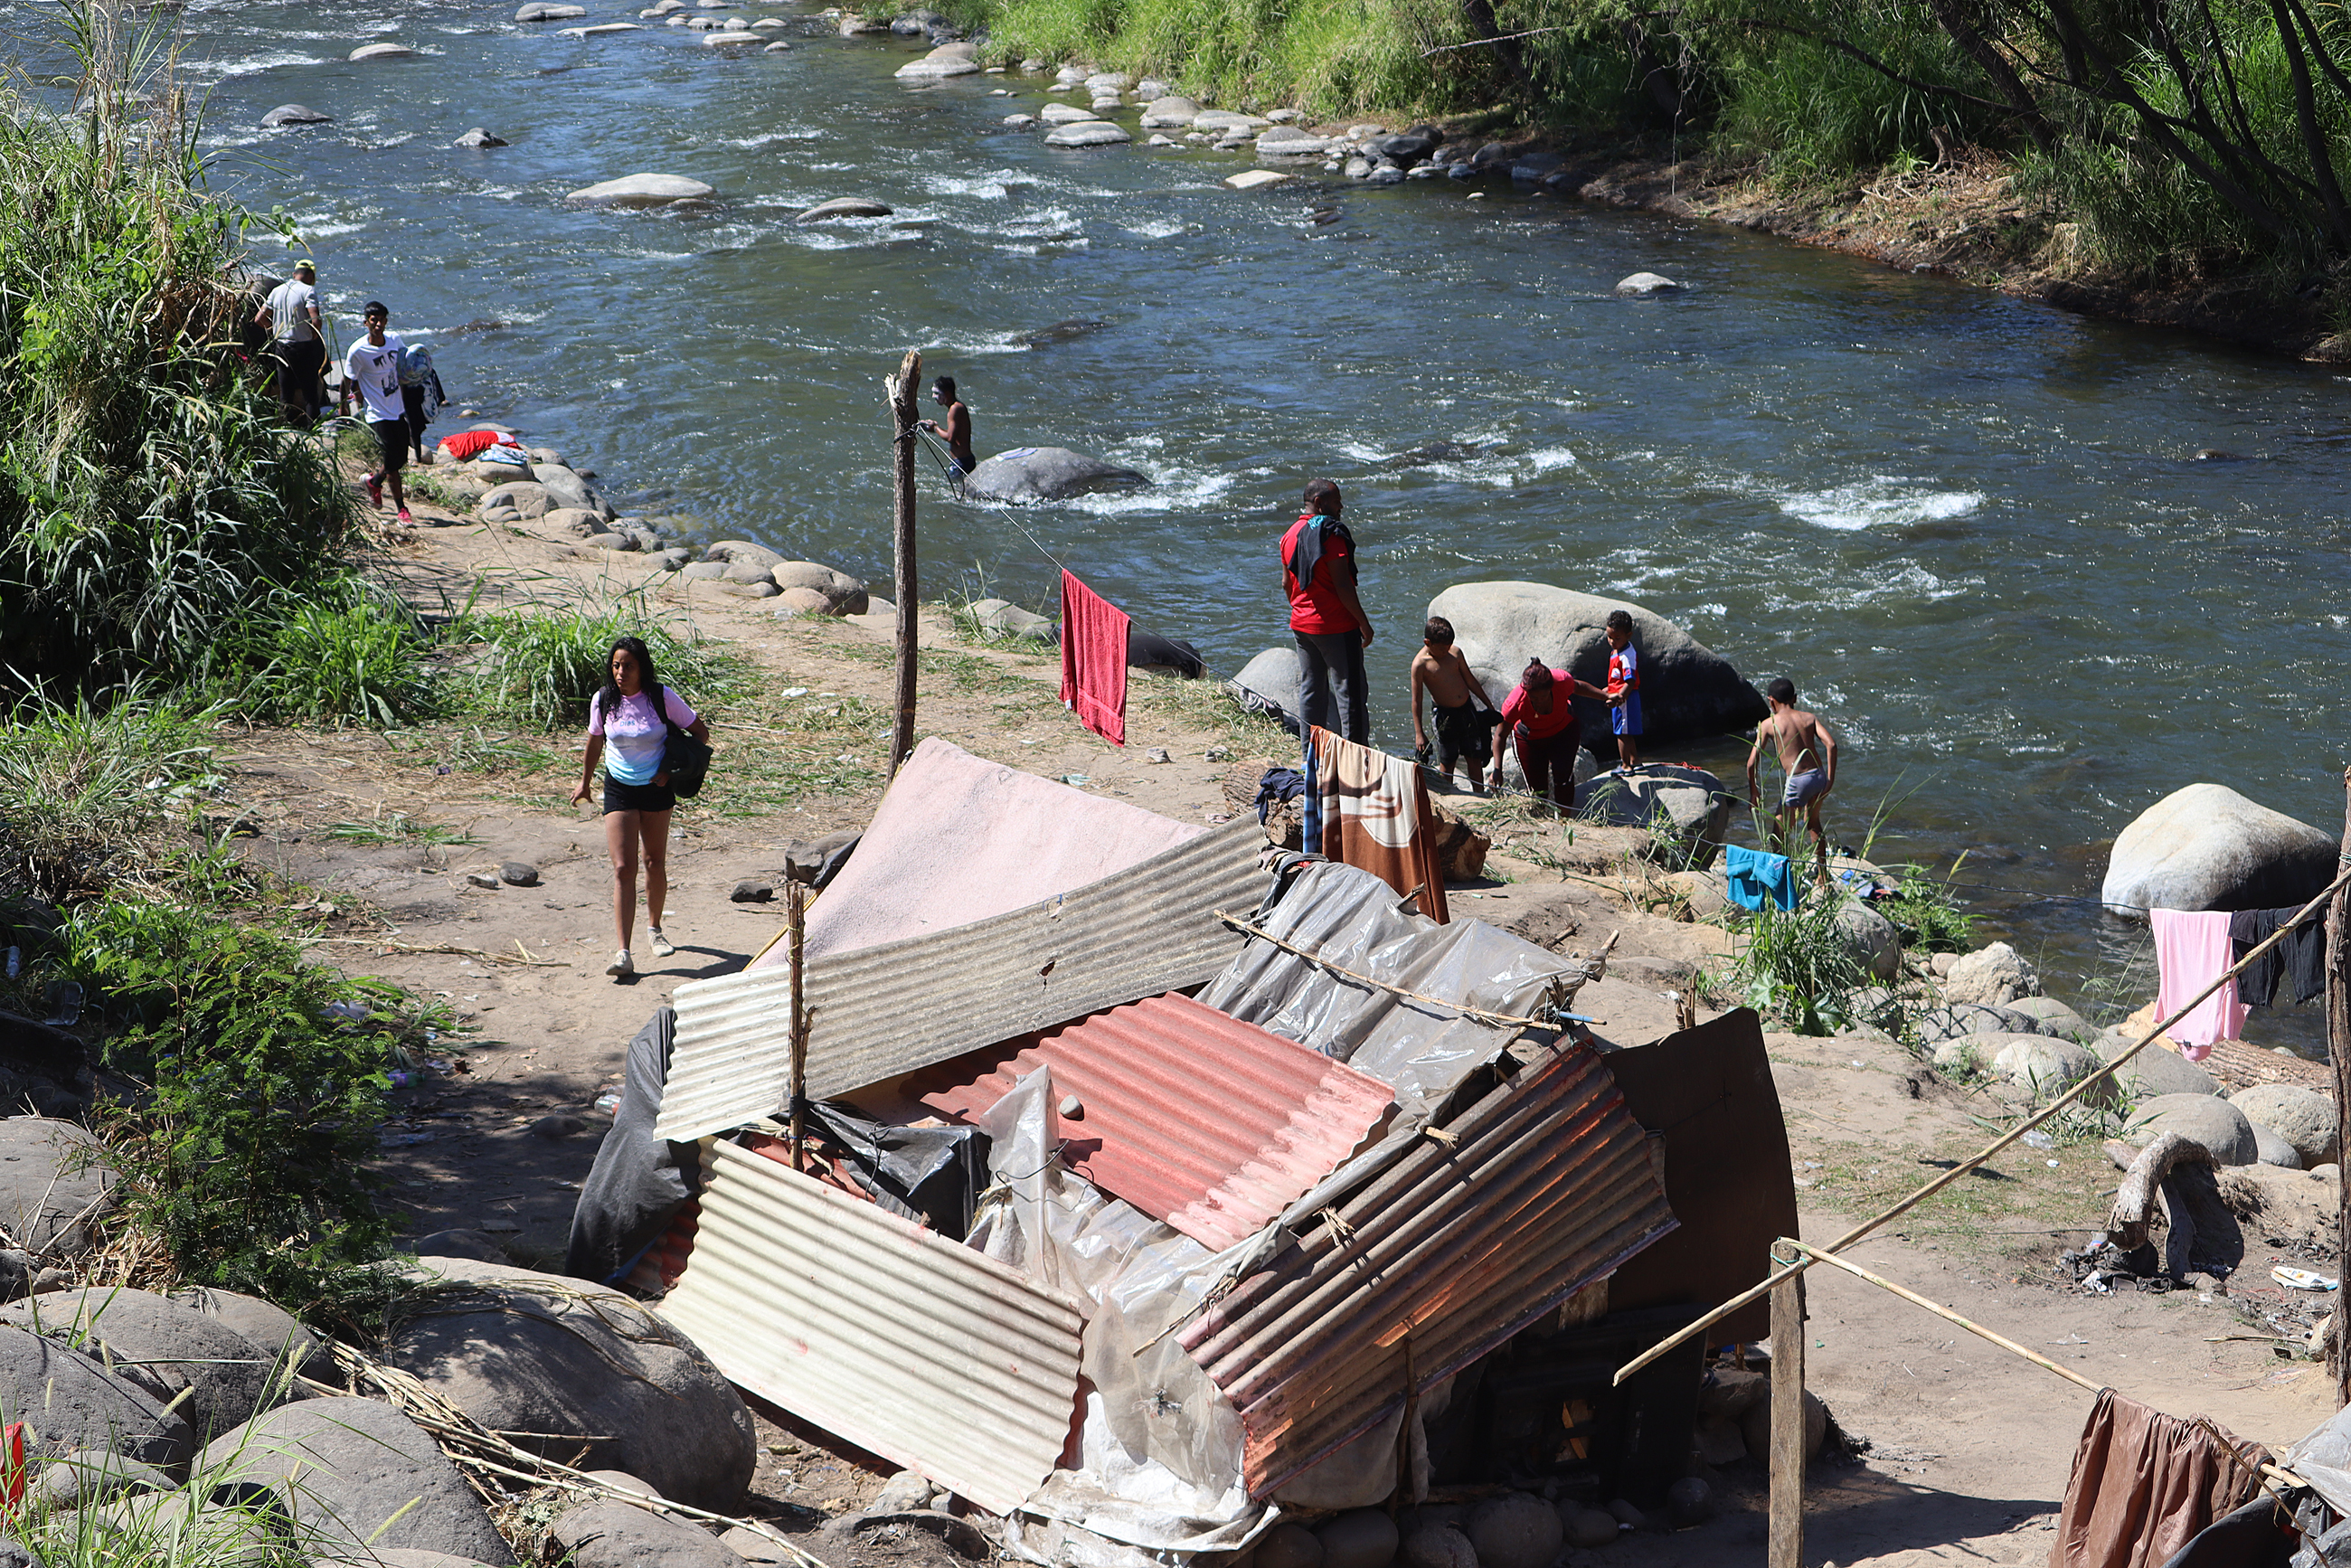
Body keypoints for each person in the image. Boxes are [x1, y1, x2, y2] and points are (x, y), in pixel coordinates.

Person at [571, 638, 712, 979]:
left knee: (654, 862)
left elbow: (700, 734)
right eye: (616, 665)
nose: (620, 672)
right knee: (622, 869)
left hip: (656, 788)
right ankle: (623, 952)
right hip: (618, 787)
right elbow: (595, 739)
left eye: (628, 666)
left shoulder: (662, 698)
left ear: (642, 668)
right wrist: (585, 781)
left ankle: (655, 929)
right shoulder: (604, 700)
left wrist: (670, 768)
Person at [1281, 477, 1373, 742]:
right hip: (1336, 627)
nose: (1341, 505)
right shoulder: (1330, 533)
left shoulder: (1289, 535)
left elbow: (1286, 583)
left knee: (1311, 691)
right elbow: (1343, 585)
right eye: (1336, 501)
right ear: (1319, 503)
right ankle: (1356, 763)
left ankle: (1310, 758)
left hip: (1302, 627)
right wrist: (1364, 624)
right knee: (1350, 695)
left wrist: (1301, 609)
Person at [1746, 676, 1838, 886]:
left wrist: (1754, 792)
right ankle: (1822, 877)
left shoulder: (1769, 724)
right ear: (1795, 698)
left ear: (1771, 701)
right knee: (1813, 824)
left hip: (1797, 782)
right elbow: (1831, 745)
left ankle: (1782, 881)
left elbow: (1751, 763)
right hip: (1818, 775)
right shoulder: (1809, 718)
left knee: (1777, 835)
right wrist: (1830, 779)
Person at [1492, 658, 1606, 811]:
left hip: (1563, 732)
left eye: (1543, 697)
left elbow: (1577, 687)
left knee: (1563, 779)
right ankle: (1544, 824)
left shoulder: (1561, 680)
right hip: (1530, 740)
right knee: (1538, 792)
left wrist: (1606, 696)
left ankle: (1566, 823)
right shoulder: (1515, 703)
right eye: (1534, 698)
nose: (1539, 702)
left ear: (1550, 688)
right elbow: (1500, 735)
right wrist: (1497, 769)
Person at [1410, 616, 1498, 792]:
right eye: (1442, 648)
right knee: (1448, 760)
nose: (1447, 651)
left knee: (1474, 756)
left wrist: (1488, 703)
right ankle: (1446, 793)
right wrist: (1419, 733)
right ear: (1428, 642)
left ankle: (1479, 794)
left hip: (1467, 710)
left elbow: (1471, 681)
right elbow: (1416, 700)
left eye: (1449, 646)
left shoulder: (1455, 653)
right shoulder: (1420, 665)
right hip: (1444, 716)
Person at [345, 302, 413, 524]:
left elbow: (406, 367)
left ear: (386, 321)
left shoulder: (394, 341)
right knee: (392, 458)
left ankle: (374, 481)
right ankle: (402, 509)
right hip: (376, 412)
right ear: (366, 323)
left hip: (398, 408)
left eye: (382, 319)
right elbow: (348, 379)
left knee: (400, 457)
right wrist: (344, 406)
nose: (378, 324)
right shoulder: (358, 350)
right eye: (373, 320)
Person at [254, 260, 324, 427]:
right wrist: (313, 336)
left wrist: (274, 329)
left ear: (294, 274)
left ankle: (283, 427)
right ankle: (312, 430)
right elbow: (316, 320)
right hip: (302, 347)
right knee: (310, 393)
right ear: (310, 276)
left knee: (286, 392)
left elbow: (259, 319)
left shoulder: (277, 291)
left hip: (281, 347)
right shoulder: (308, 290)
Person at [1603, 609, 1643, 771]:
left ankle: (1626, 766)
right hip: (1620, 693)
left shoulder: (1626, 656)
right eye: (1609, 637)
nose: (1612, 641)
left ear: (1629, 635)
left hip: (1625, 698)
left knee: (1621, 733)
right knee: (1626, 731)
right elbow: (1617, 677)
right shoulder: (1617, 651)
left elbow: (1630, 680)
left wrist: (1620, 697)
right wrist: (1609, 688)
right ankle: (1635, 761)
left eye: (1617, 638)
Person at [397, 340, 448, 463]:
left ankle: (416, 457)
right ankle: (417, 456)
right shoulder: (427, 371)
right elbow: (437, 390)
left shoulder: (403, 376)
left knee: (413, 431)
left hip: (410, 405)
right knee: (416, 431)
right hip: (420, 403)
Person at [919, 376, 974, 477]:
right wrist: (933, 428)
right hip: (962, 461)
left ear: (947, 394)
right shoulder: (957, 407)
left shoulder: (955, 409)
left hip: (962, 462)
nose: (933, 396)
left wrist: (935, 428)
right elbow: (954, 434)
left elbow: (950, 437)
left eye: (936, 393)